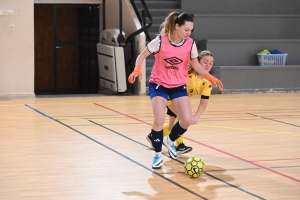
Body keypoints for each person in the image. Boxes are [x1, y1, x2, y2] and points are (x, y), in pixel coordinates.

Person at [128, 12, 223, 169]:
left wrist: (210, 77)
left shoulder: (190, 44)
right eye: (186, 29)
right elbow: (142, 55)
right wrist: (137, 69)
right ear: (177, 26)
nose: (189, 33)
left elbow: (196, 65)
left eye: (191, 30)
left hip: (178, 85)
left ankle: (170, 140)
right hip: (159, 84)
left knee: (186, 120)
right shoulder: (160, 41)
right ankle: (158, 155)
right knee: (159, 120)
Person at [146, 50, 215, 155]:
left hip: (181, 101)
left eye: (211, 63)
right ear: (197, 61)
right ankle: (178, 145)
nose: (208, 65)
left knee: (172, 126)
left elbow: (204, 101)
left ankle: (153, 135)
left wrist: (196, 116)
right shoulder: (186, 71)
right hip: (168, 95)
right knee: (183, 118)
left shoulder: (207, 82)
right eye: (205, 62)